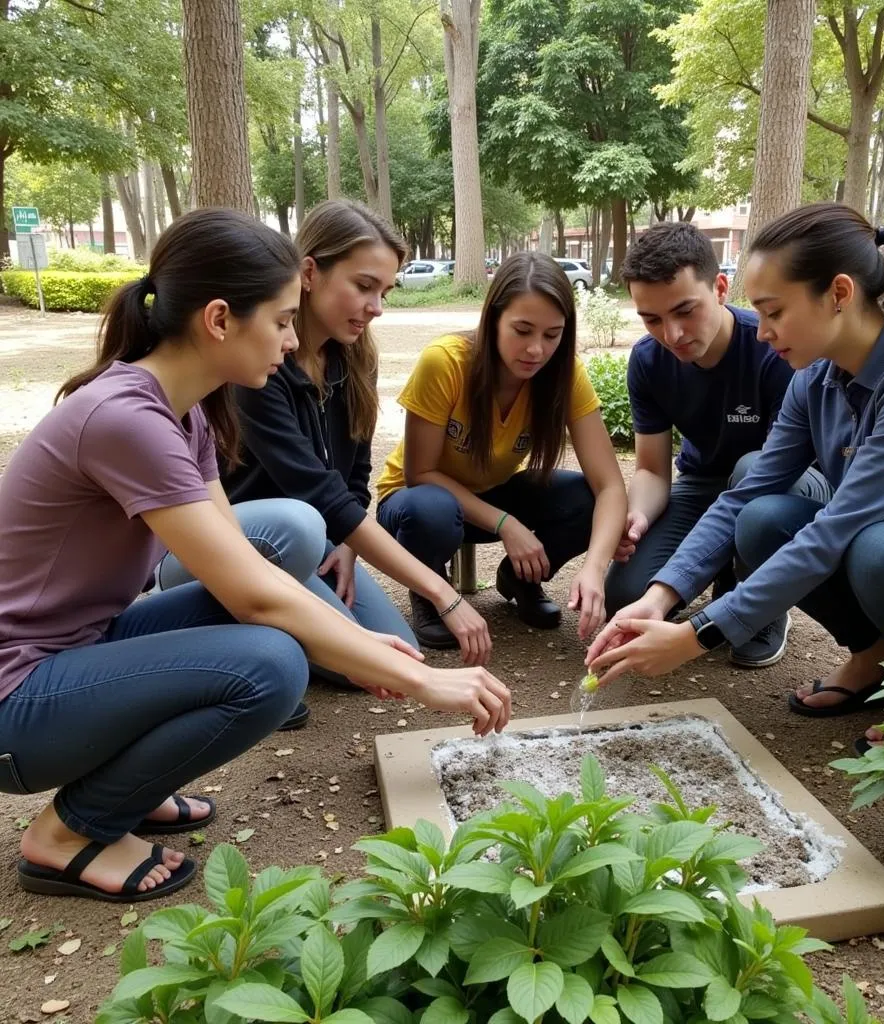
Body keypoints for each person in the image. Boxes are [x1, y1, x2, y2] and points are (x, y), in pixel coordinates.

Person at [0, 209, 511, 905]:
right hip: (17, 700)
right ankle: (65, 834)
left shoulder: (189, 412)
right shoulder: (126, 419)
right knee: (271, 665)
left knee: (276, 638)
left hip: (75, 650)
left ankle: (124, 786)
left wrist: (364, 644)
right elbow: (255, 597)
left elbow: (245, 570)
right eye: (280, 320)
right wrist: (417, 680)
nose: (293, 339)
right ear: (218, 319)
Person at [587, 202, 884, 754]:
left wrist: (699, 635)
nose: (762, 333)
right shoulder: (816, 376)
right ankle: (873, 655)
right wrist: (659, 596)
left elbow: (835, 530)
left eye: (773, 312)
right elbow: (746, 492)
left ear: (839, 293)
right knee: (763, 518)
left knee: (880, 549)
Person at [158, 200, 492, 673]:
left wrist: (348, 548)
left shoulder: (356, 359)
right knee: (300, 531)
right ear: (309, 272)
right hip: (245, 540)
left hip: (312, 543)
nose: (375, 307)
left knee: (389, 647)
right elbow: (315, 492)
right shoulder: (258, 361)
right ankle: (235, 638)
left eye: (385, 292)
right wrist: (443, 593)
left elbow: (354, 476)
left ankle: (280, 638)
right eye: (363, 286)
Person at [605, 221, 830, 667]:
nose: (671, 334)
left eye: (685, 310)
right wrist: (636, 517)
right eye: (651, 319)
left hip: (788, 487)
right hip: (705, 483)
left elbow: (780, 469)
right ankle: (716, 580)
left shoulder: (774, 351)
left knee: (751, 469)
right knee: (627, 596)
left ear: (721, 288)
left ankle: (760, 603)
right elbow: (651, 469)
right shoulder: (649, 361)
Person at [376, 251, 627, 644]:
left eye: (552, 334)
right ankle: (430, 592)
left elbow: (610, 485)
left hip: (491, 494)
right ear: (493, 319)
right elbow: (419, 473)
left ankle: (521, 577)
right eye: (522, 330)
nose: (536, 350)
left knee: (584, 499)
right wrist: (505, 523)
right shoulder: (445, 362)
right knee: (431, 510)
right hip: (414, 502)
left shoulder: (564, 374)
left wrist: (595, 567)